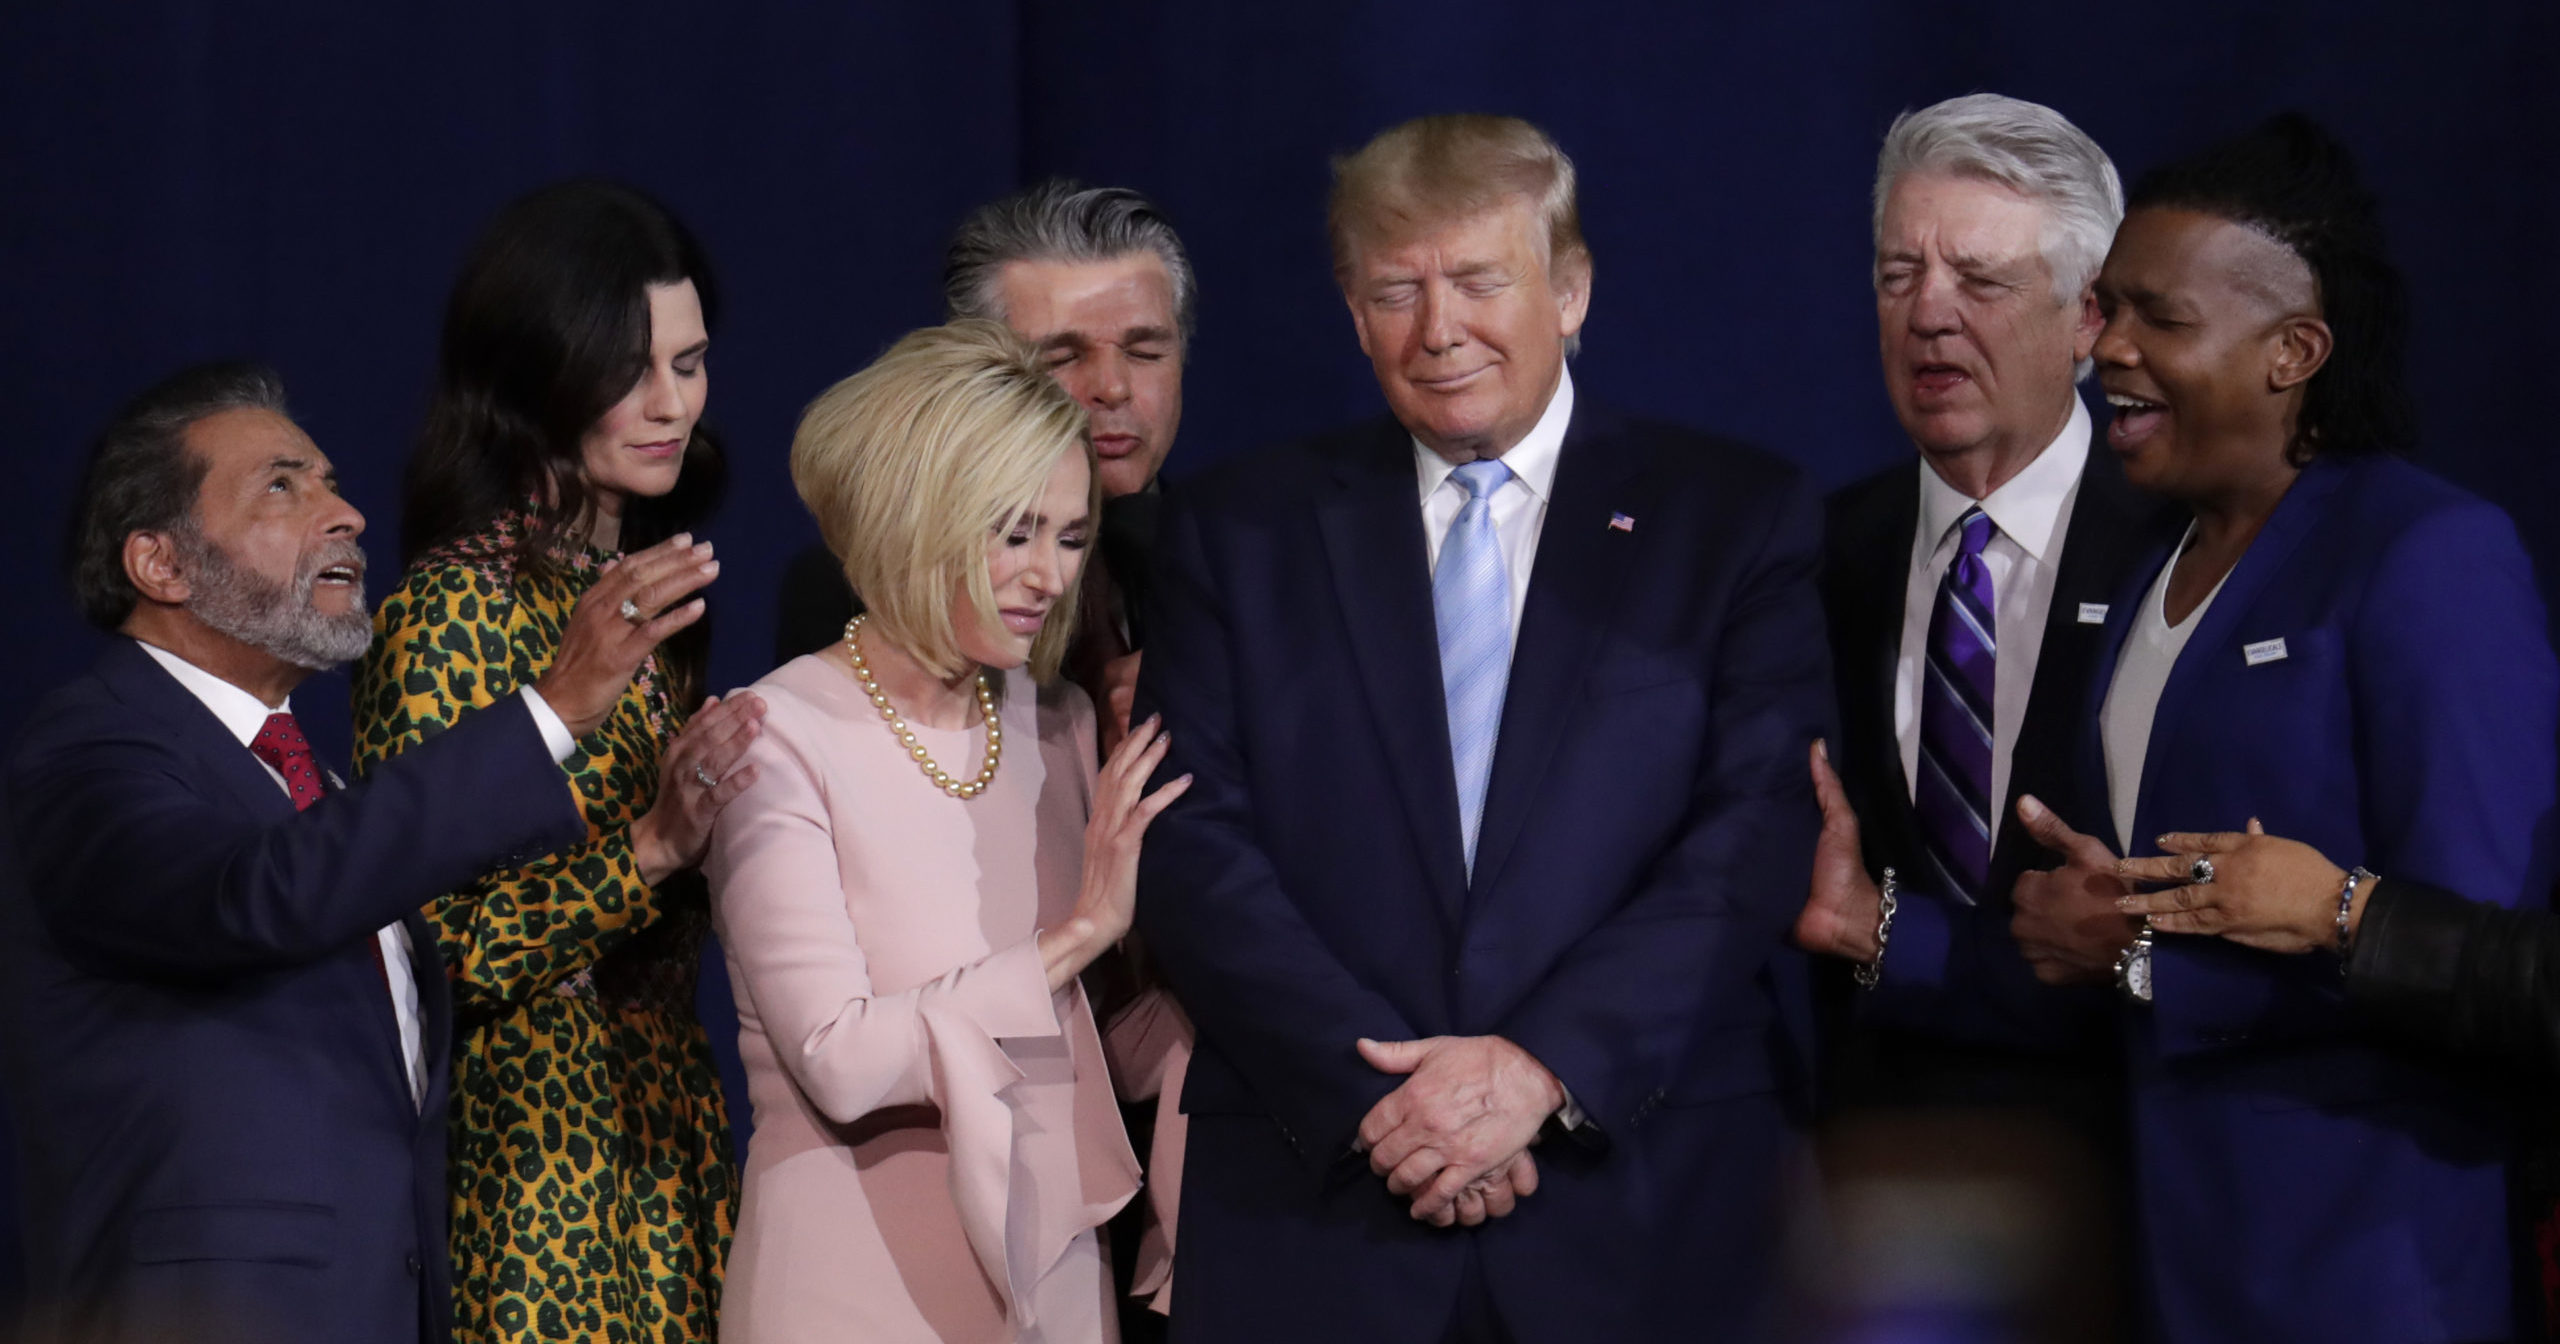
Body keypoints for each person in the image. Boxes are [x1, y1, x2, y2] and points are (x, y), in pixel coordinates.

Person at [1132, 114, 1832, 1342]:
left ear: (1570, 290)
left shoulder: (1730, 519)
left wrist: (1538, 1070)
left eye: (1476, 281)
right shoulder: (1238, 533)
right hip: (1325, 1212)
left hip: (1638, 1207)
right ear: (1352, 316)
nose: (1437, 329)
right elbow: (1190, 845)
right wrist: (1383, 1107)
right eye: (1395, 291)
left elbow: (1755, 828)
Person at [1995, 115, 2557, 1341]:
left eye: (2160, 319)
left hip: (2375, 1270)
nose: (2110, 353)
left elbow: (2475, 964)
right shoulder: (2151, 563)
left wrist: (2147, 961)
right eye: (2104, 311)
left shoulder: (2426, 557)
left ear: (2293, 350)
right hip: (2175, 1248)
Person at [0, 361, 698, 1343]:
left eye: (330, 480)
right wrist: (549, 711)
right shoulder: (88, 750)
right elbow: (256, 897)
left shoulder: (313, 784)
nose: (348, 514)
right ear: (161, 565)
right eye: (283, 486)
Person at [704, 319, 1187, 1342]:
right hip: (851, 1278)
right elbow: (840, 1059)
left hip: (1049, 1279)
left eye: (1070, 536)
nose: (1050, 577)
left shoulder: (1055, 725)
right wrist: (1080, 935)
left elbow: (1107, 1033)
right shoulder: (776, 737)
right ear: (918, 517)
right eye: (1015, 532)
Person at [354, 180, 764, 1344]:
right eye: (627, 368)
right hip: (533, 1182)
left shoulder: (641, 601)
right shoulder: (448, 615)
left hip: (670, 1153)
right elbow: (440, 948)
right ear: (533, 373)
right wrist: (651, 848)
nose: (669, 403)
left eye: (688, 364)